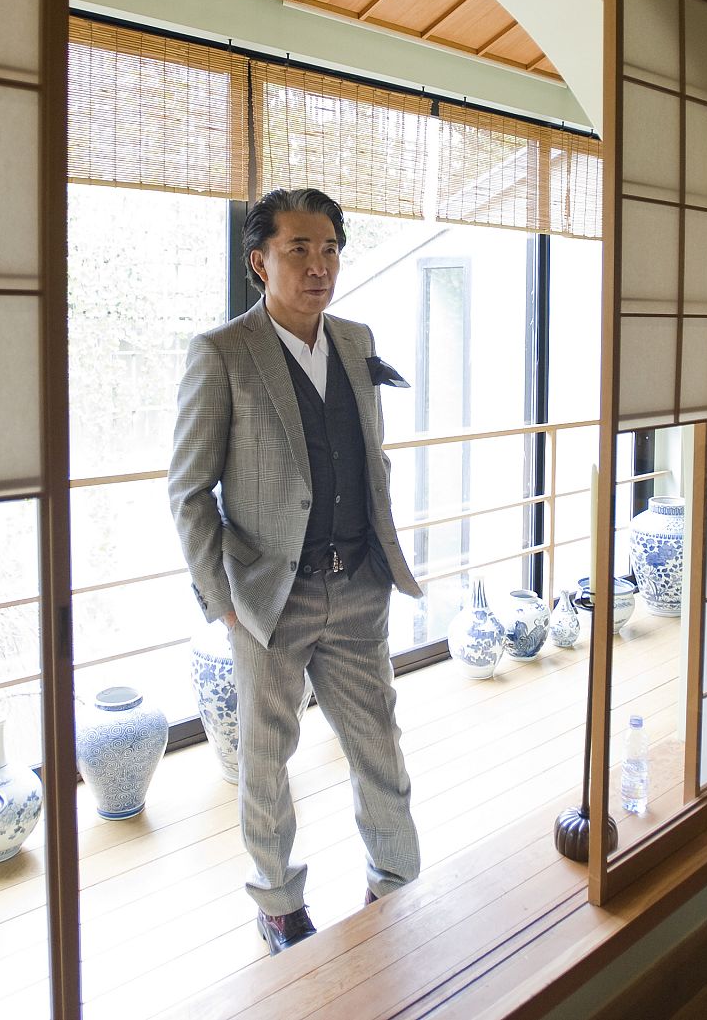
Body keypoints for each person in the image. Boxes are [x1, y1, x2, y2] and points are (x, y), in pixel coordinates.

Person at [168, 187, 424, 956]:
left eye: (330, 249)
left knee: (378, 739)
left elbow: (368, 456)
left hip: (358, 587)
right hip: (268, 597)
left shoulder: (354, 338)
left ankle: (397, 881)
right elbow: (188, 491)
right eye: (299, 250)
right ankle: (279, 904)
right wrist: (223, 602)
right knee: (267, 756)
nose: (319, 266)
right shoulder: (222, 353)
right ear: (259, 261)